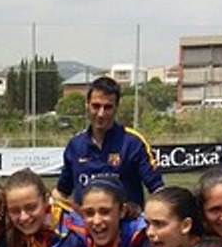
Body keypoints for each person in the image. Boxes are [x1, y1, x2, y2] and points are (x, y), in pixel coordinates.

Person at [54, 76, 163, 208]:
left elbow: (159, 191)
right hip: (86, 227)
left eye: (107, 107)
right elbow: (60, 193)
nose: (101, 113)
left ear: (116, 107)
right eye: (96, 106)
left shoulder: (133, 142)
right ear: (87, 105)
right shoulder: (75, 146)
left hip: (126, 227)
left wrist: (142, 213)